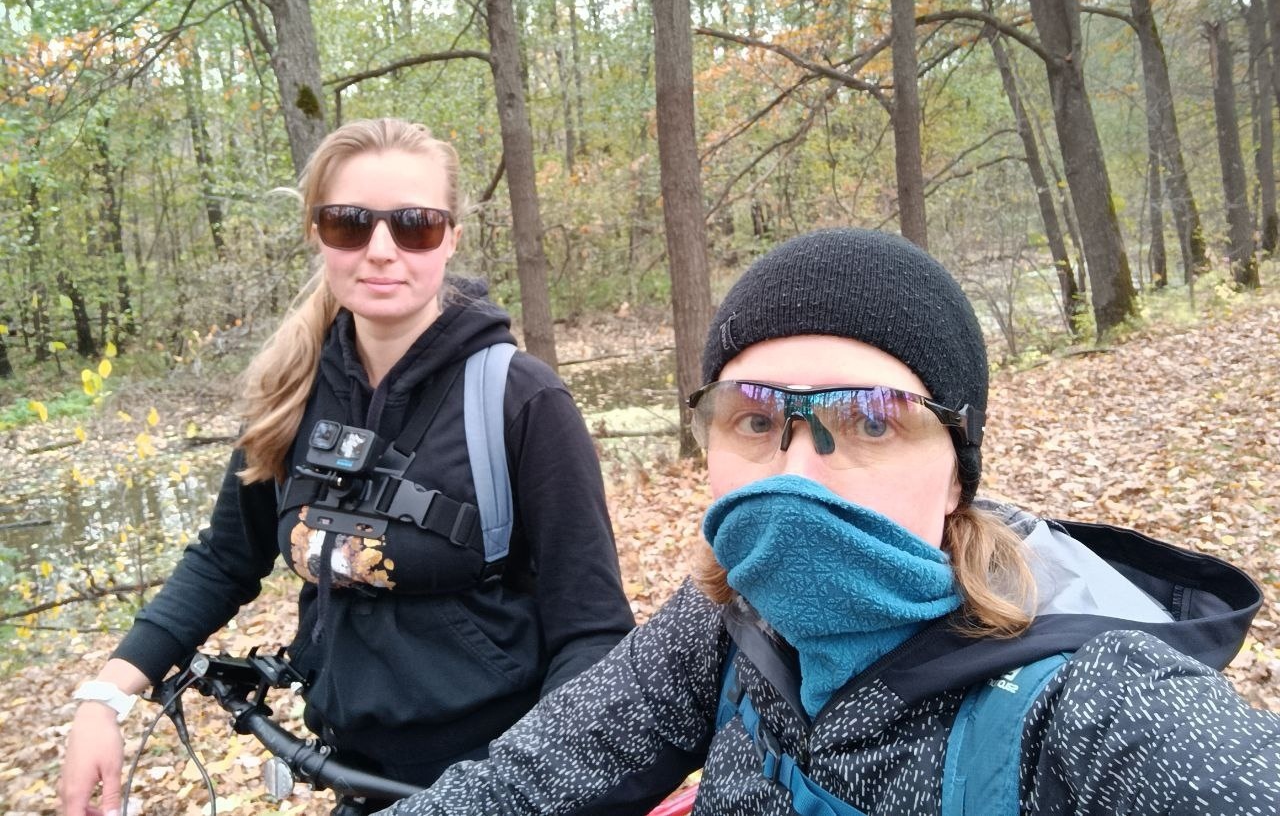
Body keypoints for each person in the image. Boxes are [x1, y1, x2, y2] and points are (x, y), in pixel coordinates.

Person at [376, 227, 1280, 816]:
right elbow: (526, 782)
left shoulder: (1096, 702)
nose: (799, 471)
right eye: (757, 418)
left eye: (874, 419)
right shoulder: (726, 623)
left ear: (959, 474)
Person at [59, 118, 635, 815]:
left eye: (415, 225)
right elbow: (224, 560)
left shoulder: (521, 400)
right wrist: (109, 691)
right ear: (318, 234)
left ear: (450, 236)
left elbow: (594, 630)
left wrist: (528, 782)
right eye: (350, 223)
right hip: (353, 776)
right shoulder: (289, 393)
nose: (382, 251)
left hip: (497, 780)